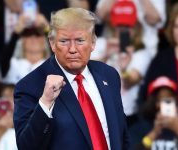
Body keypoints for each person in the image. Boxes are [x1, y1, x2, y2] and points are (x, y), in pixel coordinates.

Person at [14, 7, 129, 150]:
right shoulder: (31, 85)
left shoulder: (109, 75)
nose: (73, 49)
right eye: (64, 41)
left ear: (93, 42)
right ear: (52, 43)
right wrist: (45, 103)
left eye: (80, 40)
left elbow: (121, 133)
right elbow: (26, 147)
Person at [133, 76, 178, 149]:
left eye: (169, 99)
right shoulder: (141, 128)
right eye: (160, 99)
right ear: (154, 103)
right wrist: (154, 133)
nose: (165, 104)